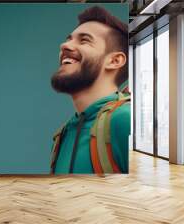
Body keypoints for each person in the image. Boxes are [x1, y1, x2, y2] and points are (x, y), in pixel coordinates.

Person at [50, 6, 130, 174]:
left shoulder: (124, 119)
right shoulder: (65, 132)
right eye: (69, 39)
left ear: (114, 60)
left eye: (84, 40)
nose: (64, 45)